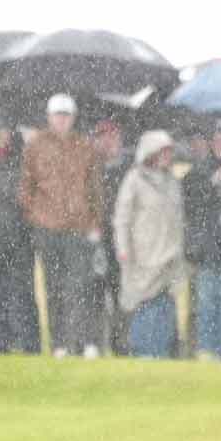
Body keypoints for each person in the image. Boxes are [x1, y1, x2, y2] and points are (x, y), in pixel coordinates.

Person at [18, 95, 105, 358]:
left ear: (73, 117)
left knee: (80, 286)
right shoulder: (35, 146)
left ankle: (84, 341)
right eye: (57, 114)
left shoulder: (84, 146)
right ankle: (60, 344)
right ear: (49, 116)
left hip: (78, 227)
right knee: (54, 287)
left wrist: (94, 221)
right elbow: (25, 188)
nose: (61, 119)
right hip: (48, 228)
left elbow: (95, 188)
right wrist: (37, 214)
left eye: (66, 115)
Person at [114, 130, 187, 358]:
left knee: (165, 301)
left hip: (170, 252)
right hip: (143, 252)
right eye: (163, 151)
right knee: (145, 301)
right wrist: (123, 248)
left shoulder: (171, 181)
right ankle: (143, 349)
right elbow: (122, 217)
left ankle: (162, 350)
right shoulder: (134, 179)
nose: (167, 155)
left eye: (169, 151)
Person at [0, 118, 41, 354]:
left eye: (5, 131)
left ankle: (29, 344)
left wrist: (27, 231)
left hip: (20, 239)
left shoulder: (24, 163)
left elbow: (32, 201)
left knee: (23, 294)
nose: (2, 136)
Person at [183, 120, 221, 360]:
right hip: (206, 245)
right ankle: (207, 348)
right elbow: (193, 201)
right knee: (207, 300)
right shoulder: (198, 170)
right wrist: (213, 181)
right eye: (217, 139)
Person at [91, 119, 133, 356]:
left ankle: (121, 343)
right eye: (103, 137)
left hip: (122, 239)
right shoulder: (90, 168)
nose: (108, 142)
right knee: (96, 292)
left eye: (112, 137)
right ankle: (97, 343)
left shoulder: (128, 168)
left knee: (122, 293)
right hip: (97, 237)